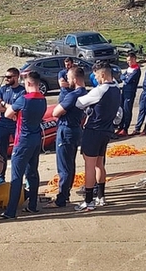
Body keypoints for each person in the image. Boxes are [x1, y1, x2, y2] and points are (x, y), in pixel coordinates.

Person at [0, 71, 47, 220]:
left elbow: (7, 114)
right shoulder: (43, 99)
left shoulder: (24, 99)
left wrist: (5, 104)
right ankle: (33, 205)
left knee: (17, 176)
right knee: (32, 172)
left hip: (22, 140)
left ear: (29, 83)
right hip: (36, 138)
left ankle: (10, 212)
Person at [74, 61, 120, 211]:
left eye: (95, 75)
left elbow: (79, 103)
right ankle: (101, 196)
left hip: (93, 130)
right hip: (106, 130)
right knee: (100, 164)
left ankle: (88, 201)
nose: (95, 77)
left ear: (102, 74)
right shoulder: (116, 88)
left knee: (89, 166)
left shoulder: (100, 90)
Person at [50, 66, 87, 207]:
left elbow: (55, 112)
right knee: (70, 164)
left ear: (75, 79)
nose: (67, 81)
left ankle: (62, 198)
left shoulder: (73, 95)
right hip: (76, 129)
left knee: (64, 166)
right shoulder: (85, 93)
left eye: (69, 78)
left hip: (66, 130)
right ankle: (65, 194)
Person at [0, 67, 26, 184]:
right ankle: (1, 176)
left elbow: (18, 108)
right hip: (3, 123)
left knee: (20, 151)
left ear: (16, 77)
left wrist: (3, 104)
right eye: (5, 76)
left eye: (9, 77)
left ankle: (24, 177)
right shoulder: (3, 89)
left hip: (16, 125)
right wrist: (10, 109)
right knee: (2, 152)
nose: (6, 79)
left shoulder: (22, 91)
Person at [115, 51, 140, 137]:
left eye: (129, 60)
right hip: (124, 90)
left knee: (127, 110)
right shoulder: (129, 69)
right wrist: (125, 78)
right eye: (127, 61)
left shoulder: (136, 69)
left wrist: (126, 78)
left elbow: (128, 80)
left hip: (130, 92)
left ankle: (125, 128)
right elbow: (122, 77)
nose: (128, 62)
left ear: (134, 59)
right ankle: (120, 127)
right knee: (121, 109)